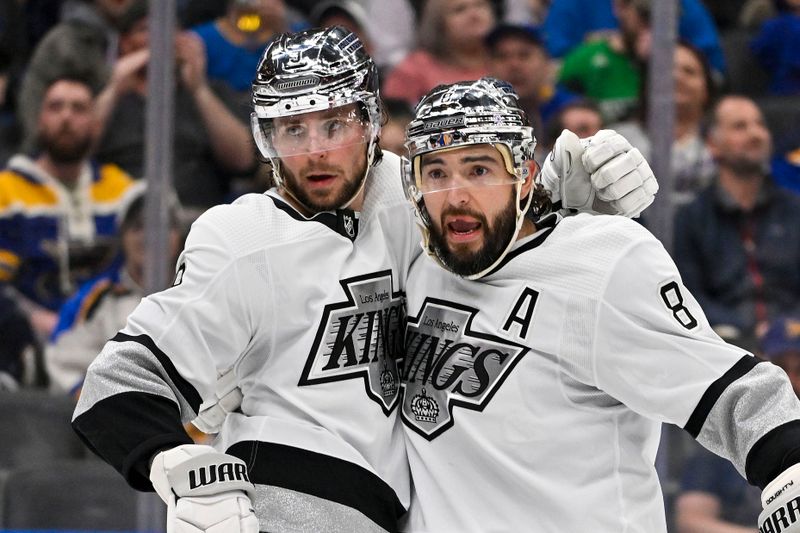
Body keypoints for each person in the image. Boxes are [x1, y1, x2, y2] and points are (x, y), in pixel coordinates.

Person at [71, 27, 658, 533]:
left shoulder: (416, 199)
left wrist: (561, 202)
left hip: (402, 509)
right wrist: (168, 459)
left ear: (373, 120)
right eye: (291, 130)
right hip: (277, 498)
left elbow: (500, 236)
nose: (316, 152)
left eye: (333, 125)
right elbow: (116, 384)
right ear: (265, 139)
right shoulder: (239, 238)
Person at [397, 77, 800, 532]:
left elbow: (723, 384)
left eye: (479, 170)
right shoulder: (415, 261)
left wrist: (789, 466)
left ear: (524, 175)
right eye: (436, 173)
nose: (455, 196)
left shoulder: (602, 263)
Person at [0, 74, 136, 339]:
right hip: (31, 338)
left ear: (96, 124)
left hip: (113, 333)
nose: (66, 117)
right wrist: (40, 323)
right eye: (55, 107)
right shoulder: (6, 190)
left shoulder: (121, 189)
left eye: (78, 108)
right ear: (40, 120)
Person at [93, 0, 255, 215]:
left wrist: (199, 90)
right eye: (146, 29)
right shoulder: (104, 94)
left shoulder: (209, 91)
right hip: (119, 216)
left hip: (196, 215)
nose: (159, 37)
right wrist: (113, 88)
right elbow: (74, 151)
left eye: (170, 29)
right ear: (125, 43)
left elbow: (242, 160)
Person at [673, 95, 800, 349]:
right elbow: (687, 295)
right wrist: (747, 331)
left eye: (760, 125)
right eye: (740, 126)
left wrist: (785, 328)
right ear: (712, 143)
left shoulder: (794, 209)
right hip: (724, 348)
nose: (756, 134)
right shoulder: (692, 218)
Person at [46, 184, 184, 395]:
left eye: (163, 225)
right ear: (122, 236)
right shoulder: (97, 299)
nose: (151, 236)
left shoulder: (200, 296)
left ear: (178, 235)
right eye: (138, 226)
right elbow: (60, 359)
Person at [674, 315, 800, 532]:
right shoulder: (727, 426)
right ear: (760, 362)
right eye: (779, 366)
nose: (790, 379)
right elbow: (690, 519)